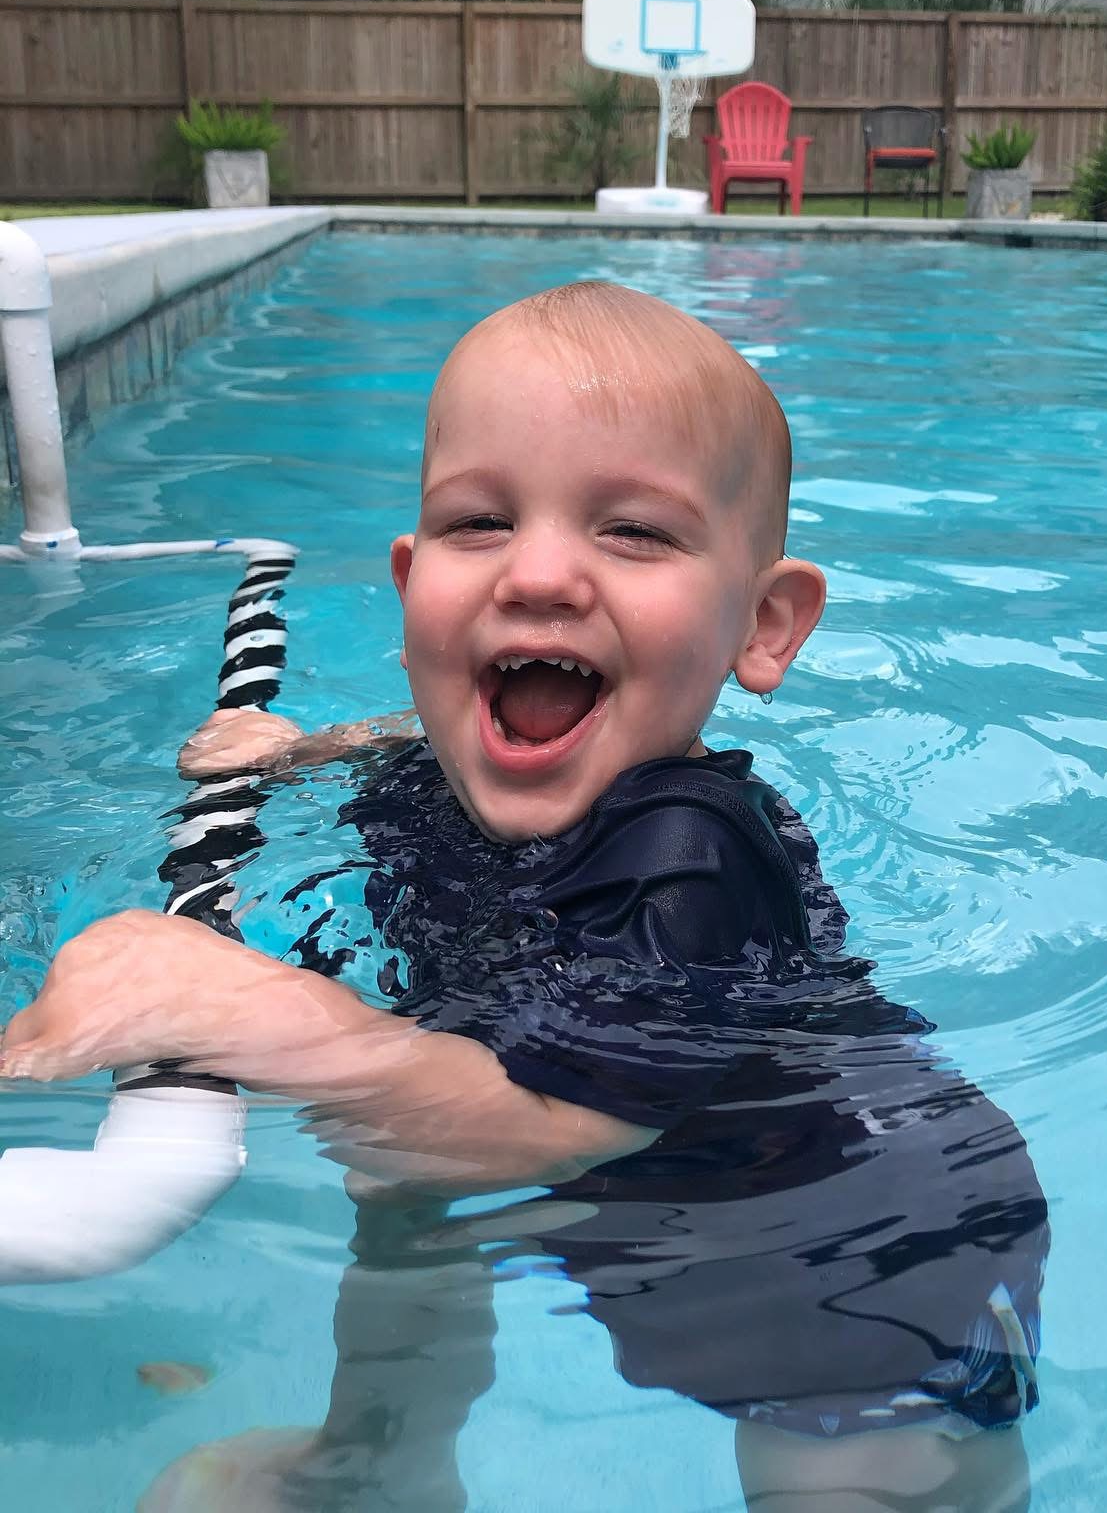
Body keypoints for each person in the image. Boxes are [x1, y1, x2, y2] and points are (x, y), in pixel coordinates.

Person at [2, 282, 1049, 1513]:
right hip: (641, 1217)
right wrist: (300, 752)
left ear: (762, 626)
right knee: (399, 1178)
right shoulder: (470, 765)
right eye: (481, 522)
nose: (538, 572)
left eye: (635, 532)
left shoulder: (689, 853)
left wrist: (243, 1011)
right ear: (412, 591)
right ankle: (378, 1459)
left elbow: (558, 1123)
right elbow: (415, 735)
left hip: (861, 1272)